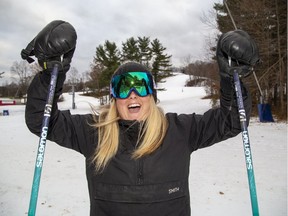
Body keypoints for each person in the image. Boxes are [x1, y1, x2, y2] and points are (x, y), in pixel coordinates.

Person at [24, 20, 259, 216]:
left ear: (153, 94)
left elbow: (230, 121)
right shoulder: (93, 133)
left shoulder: (180, 130)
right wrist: (49, 73)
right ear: (114, 96)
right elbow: (42, 120)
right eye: (123, 87)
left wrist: (231, 80)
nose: (132, 95)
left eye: (141, 86)